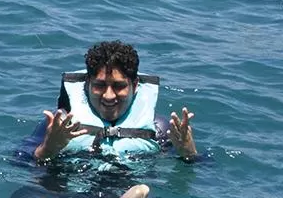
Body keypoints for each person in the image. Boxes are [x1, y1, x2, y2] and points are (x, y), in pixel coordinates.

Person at [21, 40, 197, 163]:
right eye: (99, 85)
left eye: (119, 86)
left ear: (135, 85)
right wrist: (48, 149)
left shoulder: (158, 129)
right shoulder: (60, 126)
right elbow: (21, 161)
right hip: (70, 194)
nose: (109, 96)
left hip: (129, 194)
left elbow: (197, 171)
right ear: (88, 83)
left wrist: (188, 153)